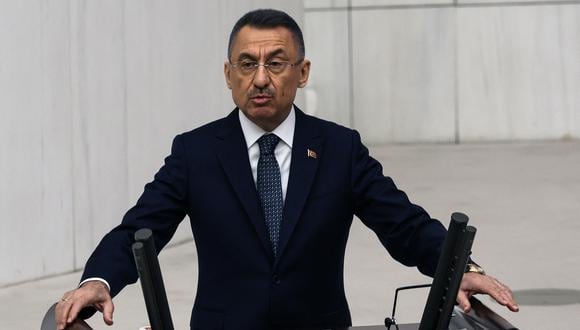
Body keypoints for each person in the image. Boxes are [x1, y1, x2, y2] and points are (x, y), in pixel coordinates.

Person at [55, 8, 518, 330]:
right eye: (247, 64)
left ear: (303, 71)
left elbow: (404, 224)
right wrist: (98, 280)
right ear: (228, 74)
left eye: (276, 63)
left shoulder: (339, 148)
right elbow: (140, 227)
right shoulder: (196, 152)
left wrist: (460, 268)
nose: (260, 78)